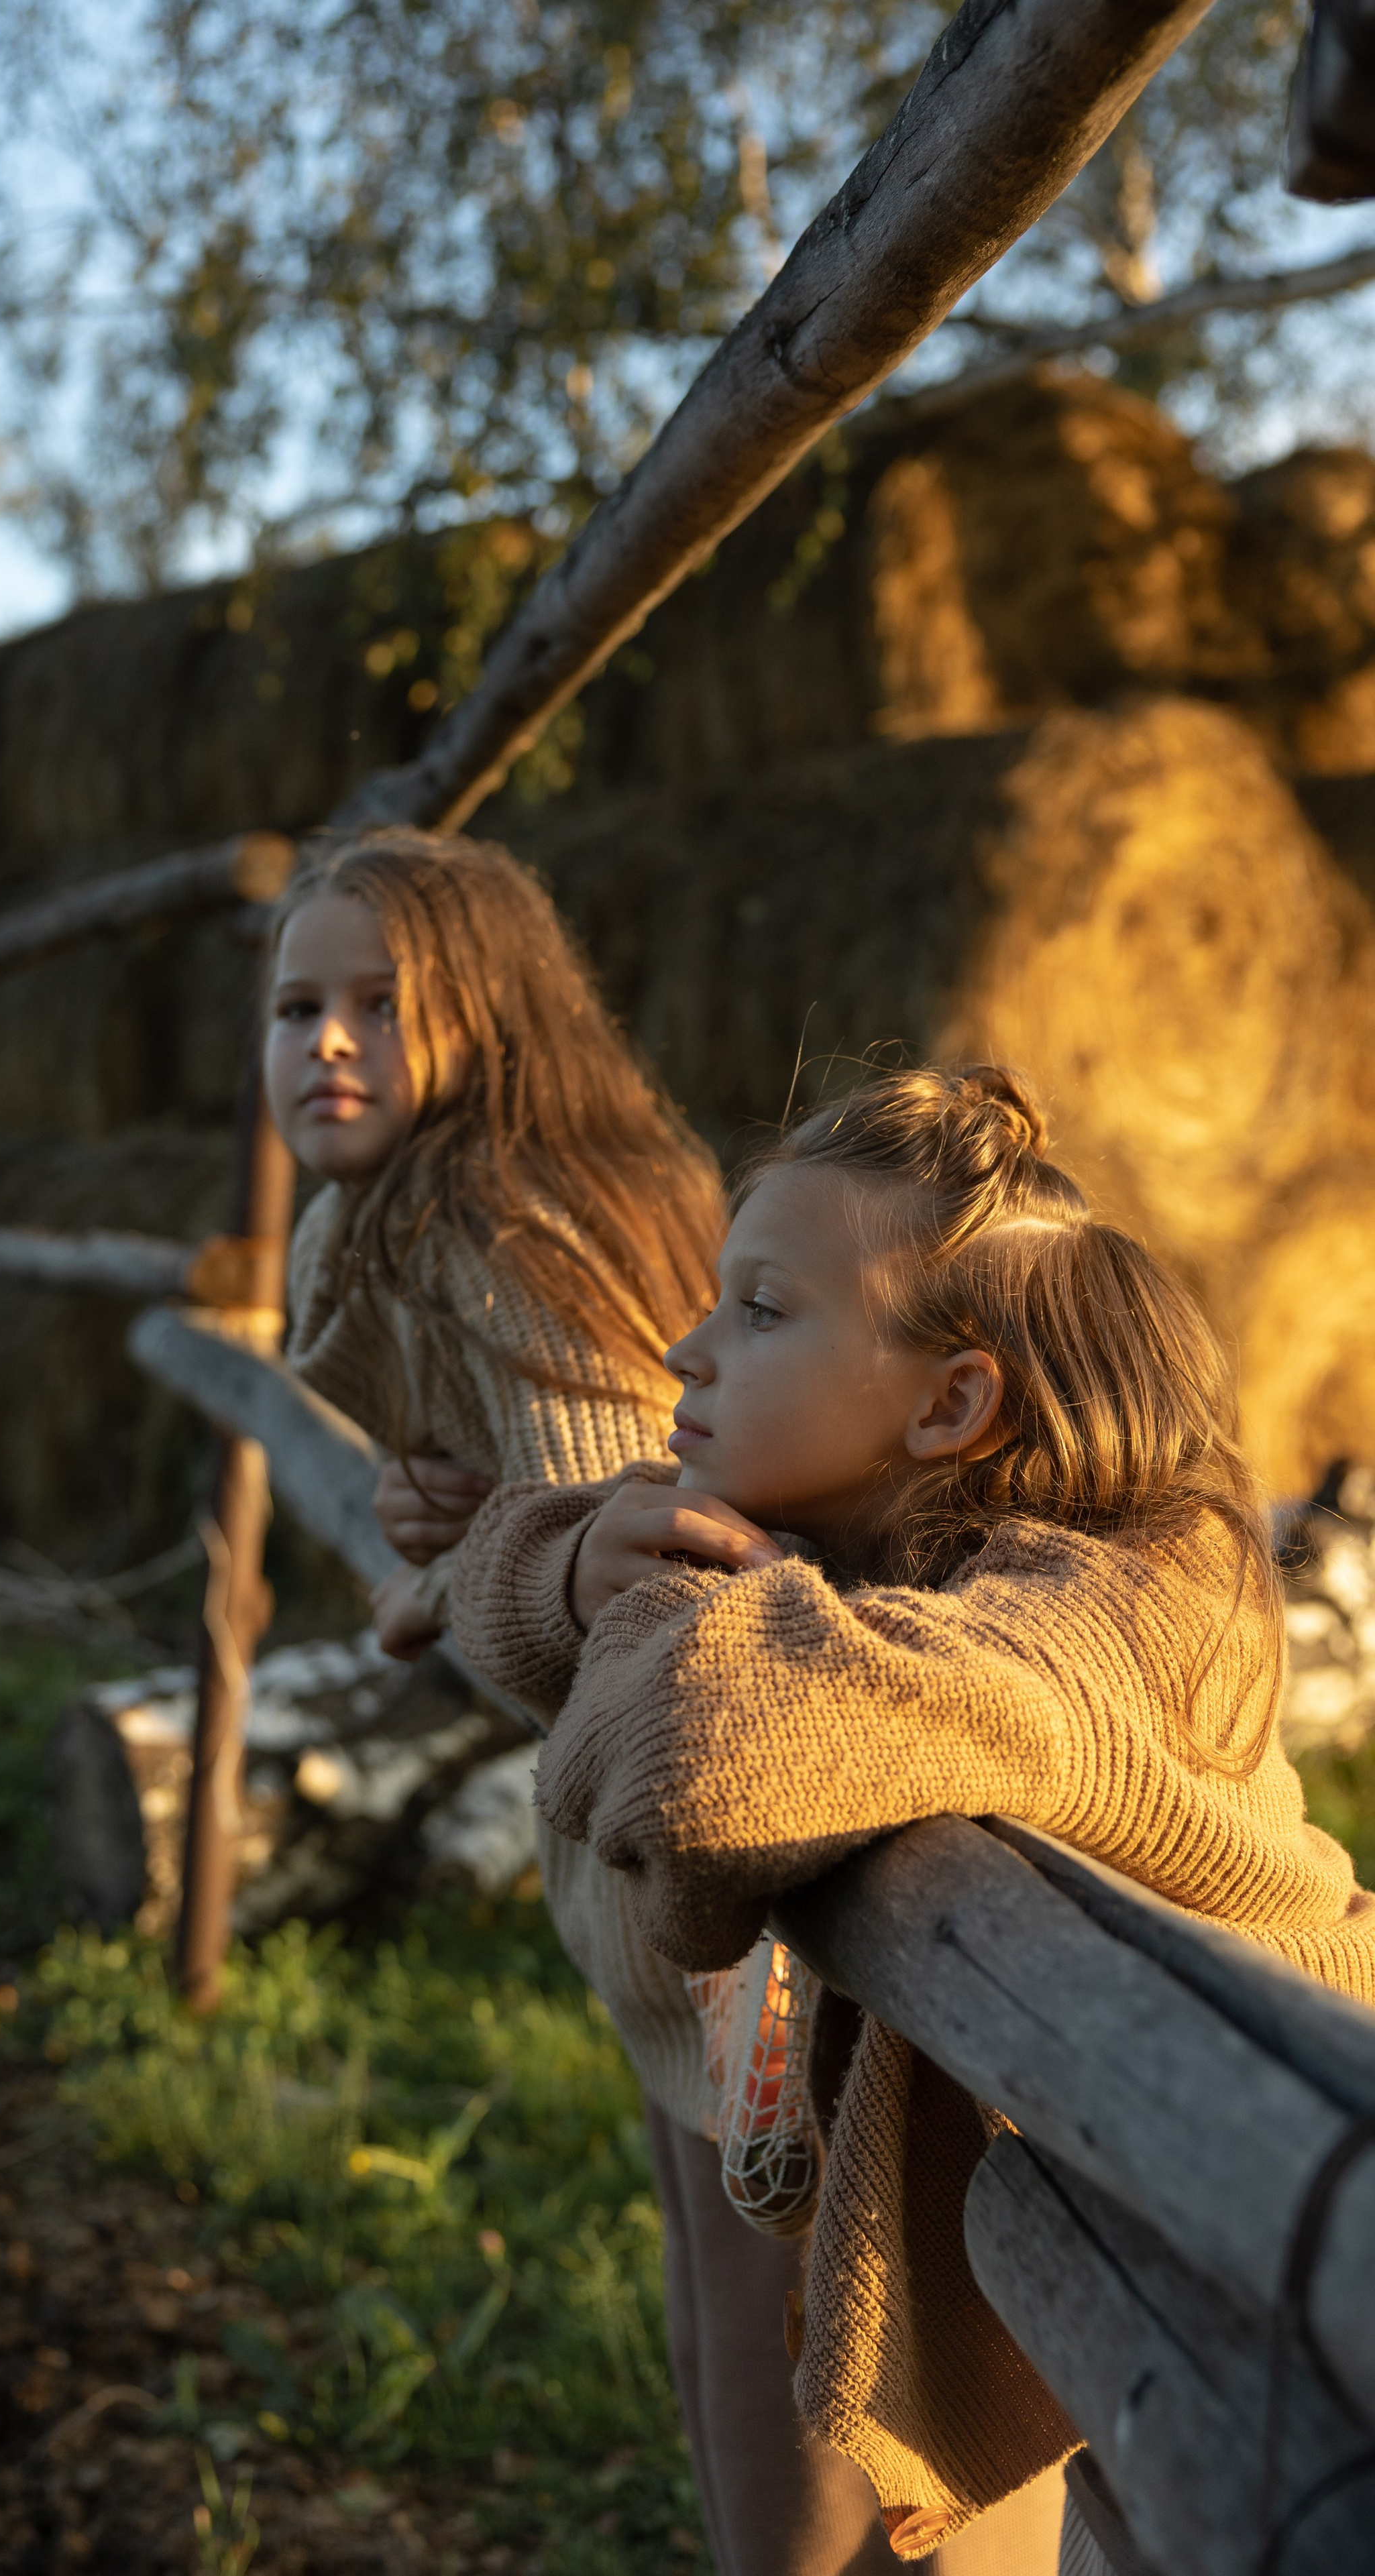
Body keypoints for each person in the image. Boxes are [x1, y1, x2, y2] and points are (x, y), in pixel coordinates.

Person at [448, 1063, 1375, 2571]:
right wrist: (569, 1577)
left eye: (759, 1311)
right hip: (1086, 2200)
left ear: (950, 1402)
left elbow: (701, 1757)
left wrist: (648, 1612)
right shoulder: (881, 1525)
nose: (686, 1349)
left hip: (1260, 2226)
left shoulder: (1121, 1605)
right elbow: (510, 1579)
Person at [263, 825, 929, 2576]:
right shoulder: (496, 1199)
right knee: (742, 2317)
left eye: (380, 1001)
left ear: (492, 1016)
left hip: (724, 1891)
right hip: (693, 1865)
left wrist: (457, 1575)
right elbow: (584, 1487)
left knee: (770, 2348)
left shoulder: (497, 1226)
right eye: (293, 1006)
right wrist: (473, 1522)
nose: (326, 1041)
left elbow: (634, 1585)